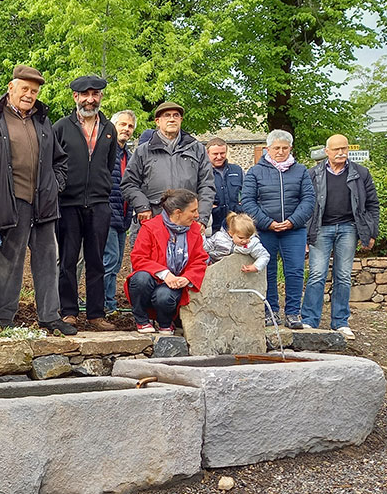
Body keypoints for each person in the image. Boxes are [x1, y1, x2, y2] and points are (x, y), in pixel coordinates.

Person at [0, 65, 75, 335]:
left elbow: (60, 160)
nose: (29, 94)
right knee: (9, 261)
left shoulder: (42, 121)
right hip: (10, 200)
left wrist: (55, 186)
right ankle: (3, 318)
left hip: (43, 200)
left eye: (34, 90)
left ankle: (50, 316)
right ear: (11, 88)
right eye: (24, 89)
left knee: (47, 260)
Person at [53, 74, 118, 330]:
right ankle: (68, 311)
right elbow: (54, 163)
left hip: (99, 203)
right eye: (85, 95)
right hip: (68, 203)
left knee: (96, 260)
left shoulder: (109, 129)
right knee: (68, 260)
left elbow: (108, 165)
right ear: (75, 97)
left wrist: (101, 188)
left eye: (95, 95)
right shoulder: (61, 127)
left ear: (100, 96)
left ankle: (96, 314)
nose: (90, 100)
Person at [300, 134, 379, 338]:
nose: (341, 153)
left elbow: (372, 205)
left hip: (348, 229)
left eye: (344, 148)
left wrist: (371, 232)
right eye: (336, 149)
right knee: (317, 275)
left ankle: (341, 322)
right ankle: (309, 320)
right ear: (327, 151)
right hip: (320, 229)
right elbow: (306, 205)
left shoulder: (361, 173)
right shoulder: (313, 174)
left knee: (343, 276)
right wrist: (305, 235)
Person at [240, 129, 315, 329]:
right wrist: (267, 222)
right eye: (276, 148)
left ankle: (292, 313)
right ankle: (270, 311)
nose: (280, 152)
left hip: (294, 230)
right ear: (268, 149)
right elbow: (247, 201)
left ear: (290, 148)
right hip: (266, 231)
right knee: (267, 271)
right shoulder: (255, 171)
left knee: (295, 271)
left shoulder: (301, 171)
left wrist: (292, 221)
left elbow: (308, 200)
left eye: (284, 148)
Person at [126, 189, 208, 335]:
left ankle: (165, 323)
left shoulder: (195, 229)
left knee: (164, 297)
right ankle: (142, 320)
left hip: (176, 283)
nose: (197, 215)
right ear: (178, 213)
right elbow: (138, 258)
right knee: (140, 279)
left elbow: (200, 260)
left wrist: (186, 278)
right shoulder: (150, 227)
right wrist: (165, 274)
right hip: (153, 278)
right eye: (193, 211)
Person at [122, 101, 215, 228]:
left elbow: (207, 185)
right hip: (154, 219)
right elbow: (129, 183)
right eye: (167, 115)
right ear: (157, 121)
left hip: (188, 220)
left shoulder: (197, 149)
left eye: (176, 115)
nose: (172, 119)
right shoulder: (143, 151)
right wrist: (142, 206)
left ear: (181, 120)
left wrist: (202, 218)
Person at [103, 109, 137, 314]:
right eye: (122, 125)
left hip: (124, 216)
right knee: (110, 259)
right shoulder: (105, 151)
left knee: (115, 262)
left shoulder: (129, 156)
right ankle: (106, 304)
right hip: (107, 214)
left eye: (130, 126)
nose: (126, 129)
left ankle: (109, 302)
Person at [203, 211, 271, 272]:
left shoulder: (252, 243)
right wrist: (201, 235)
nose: (244, 241)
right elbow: (205, 248)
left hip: (237, 271)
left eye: (248, 237)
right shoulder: (219, 237)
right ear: (231, 233)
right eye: (241, 238)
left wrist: (256, 266)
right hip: (216, 267)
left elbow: (264, 255)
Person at [207, 137, 243, 233]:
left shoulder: (237, 170)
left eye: (222, 153)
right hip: (213, 225)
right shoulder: (202, 172)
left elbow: (247, 191)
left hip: (236, 224)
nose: (219, 157)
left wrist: (243, 203)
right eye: (215, 154)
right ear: (207, 153)